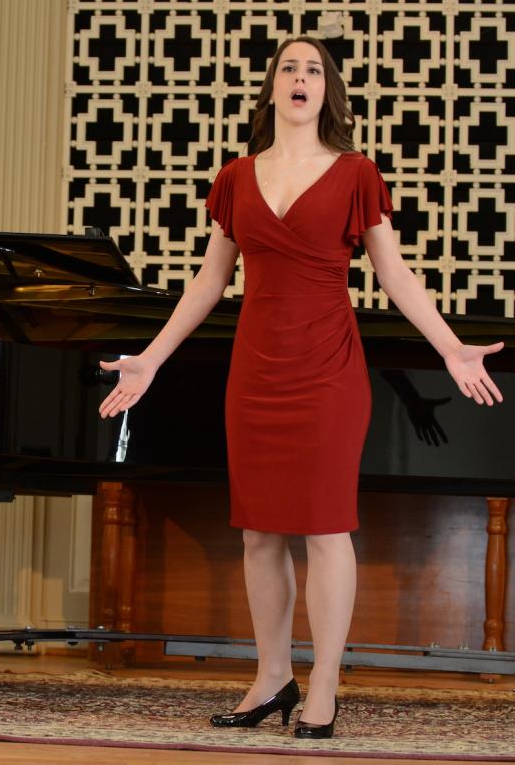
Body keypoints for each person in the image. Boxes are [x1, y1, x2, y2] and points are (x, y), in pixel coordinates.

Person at [98, 36, 503, 738]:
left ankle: (325, 683)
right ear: (272, 87)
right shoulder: (235, 176)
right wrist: (153, 358)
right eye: (289, 66)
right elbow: (209, 280)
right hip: (256, 369)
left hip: (327, 369)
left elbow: (395, 274)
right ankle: (272, 676)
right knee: (259, 532)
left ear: (328, 91)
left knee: (325, 527)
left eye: (314, 69)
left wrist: (451, 349)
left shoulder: (355, 174)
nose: (301, 76)